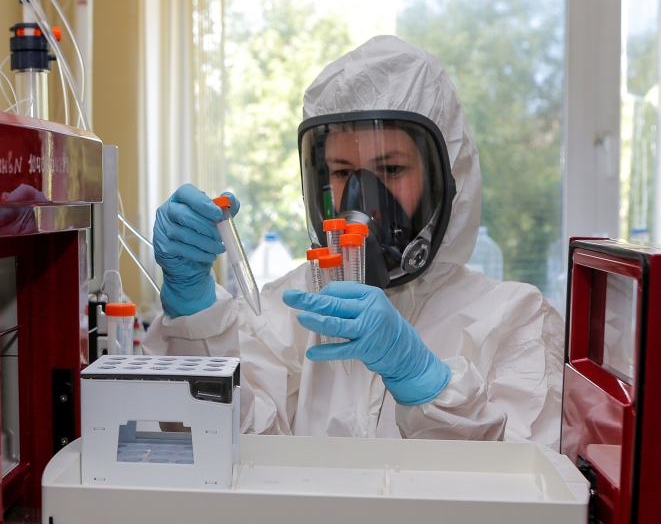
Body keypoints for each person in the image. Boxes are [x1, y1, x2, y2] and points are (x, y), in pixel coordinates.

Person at [141, 35, 564, 447]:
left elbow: (526, 475)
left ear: (445, 181)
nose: (363, 197)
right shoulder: (293, 308)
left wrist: (426, 383)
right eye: (343, 172)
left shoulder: (513, 318)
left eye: (392, 169)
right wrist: (194, 316)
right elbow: (210, 440)